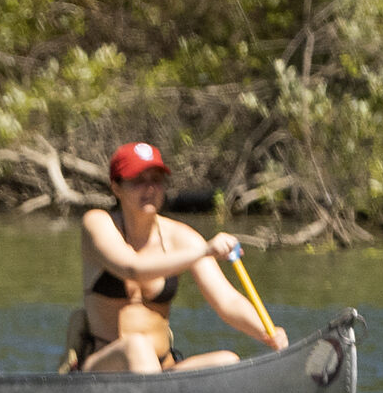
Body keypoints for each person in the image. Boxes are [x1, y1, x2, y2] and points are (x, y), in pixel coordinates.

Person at [71, 142, 287, 373]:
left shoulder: (181, 237)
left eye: (156, 180)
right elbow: (132, 268)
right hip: (101, 369)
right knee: (137, 347)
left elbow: (227, 301)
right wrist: (205, 251)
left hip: (164, 368)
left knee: (227, 361)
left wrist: (267, 331)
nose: (150, 188)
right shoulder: (98, 223)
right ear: (116, 187)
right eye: (138, 180)